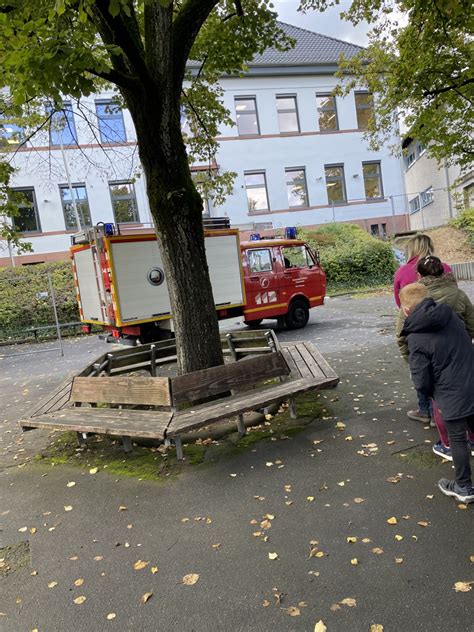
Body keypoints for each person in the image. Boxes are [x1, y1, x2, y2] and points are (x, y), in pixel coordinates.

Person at [399, 283, 474, 504]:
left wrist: (432, 393)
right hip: (471, 378)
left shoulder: (415, 338)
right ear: (428, 299)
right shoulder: (449, 315)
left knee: (457, 438)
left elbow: (420, 379)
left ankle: (463, 486)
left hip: (449, 391)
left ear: (405, 310)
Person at [396, 256, 474, 448]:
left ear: (419, 275)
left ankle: (447, 444)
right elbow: (471, 324)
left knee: (439, 405)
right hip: (458, 357)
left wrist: (412, 362)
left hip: (429, 360)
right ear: (443, 270)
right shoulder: (457, 294)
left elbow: (401, 336)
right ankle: (470, 440)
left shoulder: (414, 299)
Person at [393, 234, 451, 308]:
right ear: (431, 248)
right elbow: (453, 292)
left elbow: (399, 302)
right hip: (446, 314)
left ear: (411, 250)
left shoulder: (401, 272)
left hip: (414, 315)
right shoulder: (444, 267)